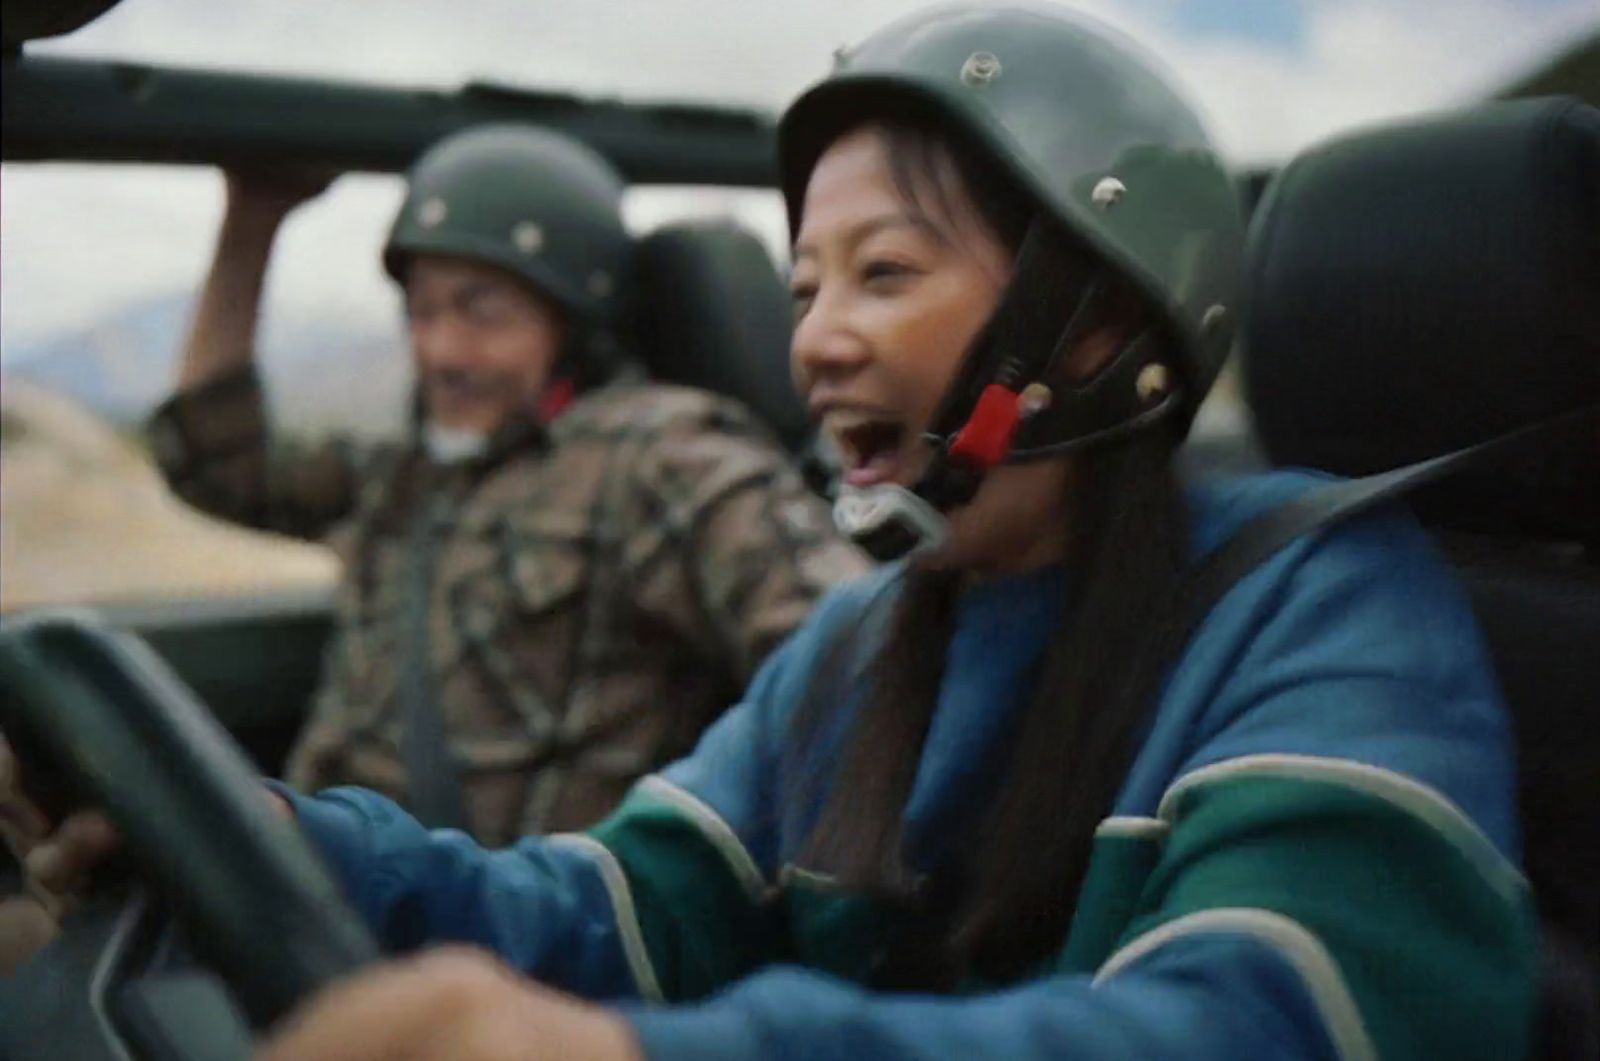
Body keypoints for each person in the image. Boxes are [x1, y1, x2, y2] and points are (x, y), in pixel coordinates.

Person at [9, 5, 1536, 1058]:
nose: (813, 345)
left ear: (1088, 329)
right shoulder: (859, 643)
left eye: (883, 274)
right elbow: (620, 910)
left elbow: (1280, 1015)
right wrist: (297, 845)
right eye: (803, 288)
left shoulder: (1321, 600)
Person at [145, 126, 869, 842]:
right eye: (422, 310)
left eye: (481, 309)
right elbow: (214, 467)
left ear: (572, 318)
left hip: (505, 929)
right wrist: (252, 220)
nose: (441, 350)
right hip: (304, 882)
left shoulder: (660, 454)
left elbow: (860, 659)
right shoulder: (408, 468)